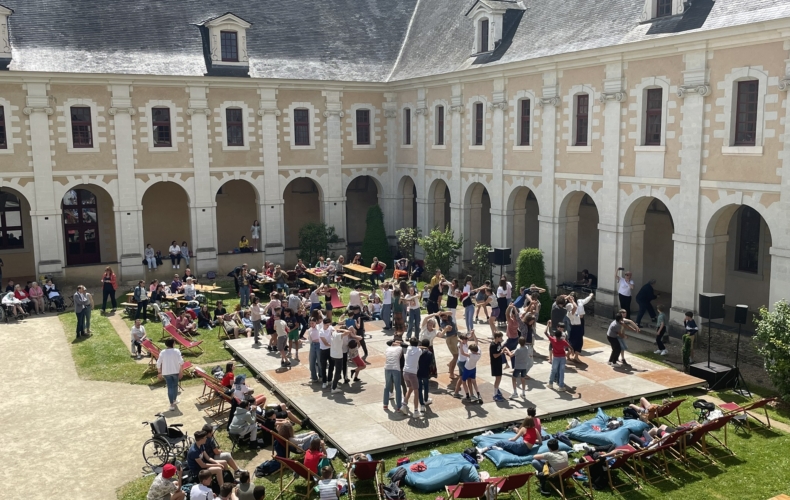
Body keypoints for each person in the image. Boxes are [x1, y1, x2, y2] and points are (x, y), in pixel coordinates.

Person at [543, 320, 573, 391]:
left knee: (553, 370)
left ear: (555, 335)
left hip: (555, 358)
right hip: (562, 357)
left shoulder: (553, 340)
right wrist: (571, 352)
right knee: (561, 372)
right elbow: (570, 347)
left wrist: (547, 325)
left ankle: (550, 384)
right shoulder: (563, 341)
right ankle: (561, 386)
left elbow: (545, 332)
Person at [157, 338, 185, 411]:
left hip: (166, 373)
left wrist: (159, 372)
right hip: (175, 372)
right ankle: (174, 400)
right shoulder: (177, 351)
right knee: (175, 386)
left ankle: (172, 404)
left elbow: (158, 363)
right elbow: (181, 362)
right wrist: (181, 372)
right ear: (173, 344)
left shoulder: (163, 352)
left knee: (170, 387)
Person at [567, 291, 594, 360]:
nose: (573, 298)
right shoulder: (570, 305)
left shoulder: (579, 301)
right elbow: (572, 313)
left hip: (581, 321)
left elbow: (585, 300)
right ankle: (569, 354)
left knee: (581, 335)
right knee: (573, 338)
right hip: (575, 322)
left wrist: (590, 296)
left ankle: (576, 355)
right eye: (571, 297)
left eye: (574, 297)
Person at [402, 337, 422, 417]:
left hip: (405, 372)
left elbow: (411, 345)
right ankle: (416, 411)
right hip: (413, 373)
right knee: (416, 391)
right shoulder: (419, 351)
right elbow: (419, 348)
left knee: (410, 389)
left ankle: (404, 405)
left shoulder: (408, 349)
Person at [383, 338, 404, 412]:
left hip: (387, 368)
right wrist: (400, 343)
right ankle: (399, 406)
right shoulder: (400, 348)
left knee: (387, 387)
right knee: (398, 387)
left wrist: (395, 342)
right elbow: (400, 357)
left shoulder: (387, 349)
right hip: (396, 368)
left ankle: (385, 404)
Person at [416, 338, 434, 413]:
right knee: (426, 386)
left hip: (418, 372)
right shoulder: (430, 353)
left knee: (419, 388)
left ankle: (422, 405)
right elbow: (431, 364)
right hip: (426, 372)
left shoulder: (418, 352)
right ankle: (426, 399)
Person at [490, 332, 505, 402]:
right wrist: (501, 353)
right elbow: (495, 355)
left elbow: (499, 349)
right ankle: (495, 394)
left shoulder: (498, 343)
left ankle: (497, 389)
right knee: (498, 378)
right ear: (496, 338)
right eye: (500, 337)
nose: (501, 339)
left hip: (499, 363)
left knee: (499, 377)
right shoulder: (493, 345)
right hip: (495, 363)